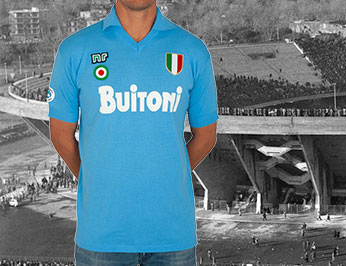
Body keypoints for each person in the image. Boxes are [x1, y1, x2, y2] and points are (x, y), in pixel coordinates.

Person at [48, 1, 218, 265]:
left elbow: (206, 136)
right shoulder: (74, 49)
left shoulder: (192, 51)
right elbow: (60, 133)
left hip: (173, 235)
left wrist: (169, 176)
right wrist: (97, 180)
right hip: (101, 237)